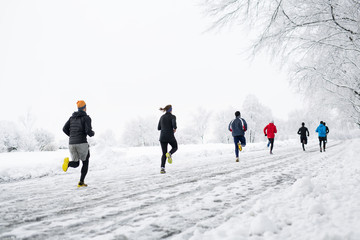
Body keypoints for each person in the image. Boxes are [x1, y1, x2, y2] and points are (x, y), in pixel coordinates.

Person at [62, 100, 95, 187]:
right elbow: (88, 131)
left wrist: (72, 136)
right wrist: (92, 133)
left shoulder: (71, 118)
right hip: (82, 143)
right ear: (84, 108)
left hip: (71, 144)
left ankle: (68, 163)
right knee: (85, 162)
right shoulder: (86, 118)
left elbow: (64, 129)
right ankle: (81, 182)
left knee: (76, 163)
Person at [158, 105, 178, 174]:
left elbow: (158, 128)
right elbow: (174, 125)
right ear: (171, 110)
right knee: (175, 147)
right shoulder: (173, 116)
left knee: (164, 153)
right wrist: (174, 129)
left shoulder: (162, 117)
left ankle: (162, 168)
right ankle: (169, 154)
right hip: (170, 136)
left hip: (162, 137)